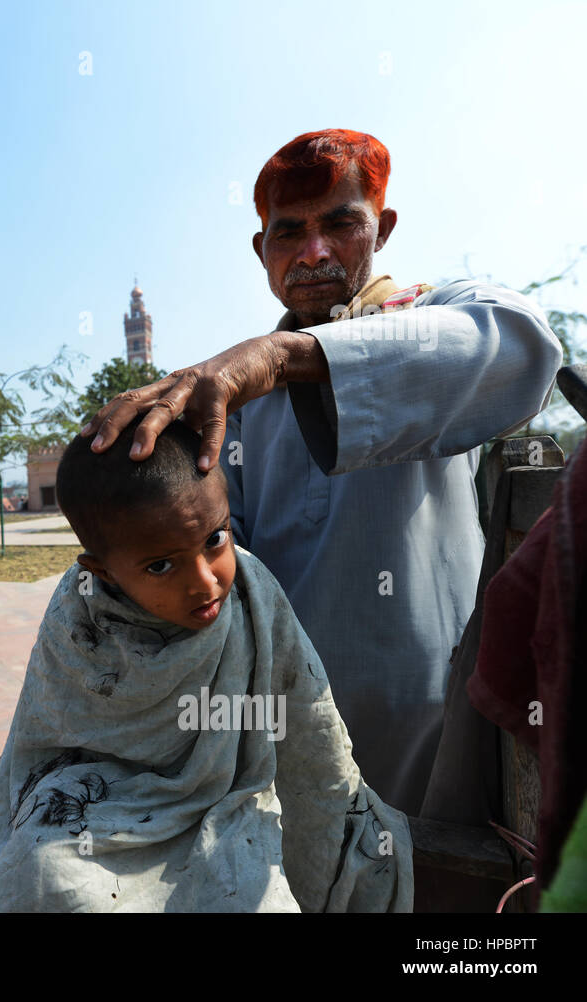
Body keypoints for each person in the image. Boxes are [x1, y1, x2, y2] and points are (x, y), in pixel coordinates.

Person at [81, 129, 561, 816]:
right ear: (262, 251)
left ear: (382, 228)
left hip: (426, 718)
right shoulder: (237, 400)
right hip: (281, 712)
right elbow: (220, 551)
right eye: (290, 233)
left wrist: (284, 357)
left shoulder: (435, 315)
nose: (313, 253)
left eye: (340, 224)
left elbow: (527, 348)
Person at [0, 420, 412, 912]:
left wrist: (336, 807)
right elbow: (48, 726)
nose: (206, 582)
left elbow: (307, 719)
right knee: (47, 873)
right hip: (98, 799)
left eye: (215, 539)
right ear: (103, 572)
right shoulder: (79, 609)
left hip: (229, 798)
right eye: (161, 566)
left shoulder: (254, 594)